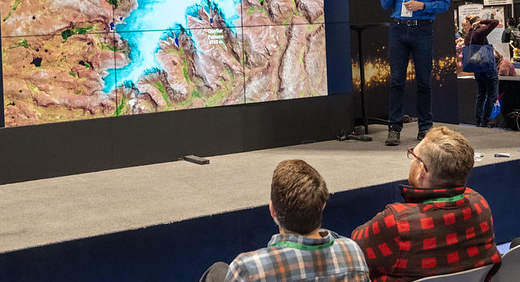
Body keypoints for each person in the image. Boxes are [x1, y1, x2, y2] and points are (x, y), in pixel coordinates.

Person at [351, 127, 501, 282]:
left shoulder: (397, 222)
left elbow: (353, 250)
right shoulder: (480, 204)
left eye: (414, 155)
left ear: (421, 170)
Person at [200, 159, 369, 282]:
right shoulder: (352, 252)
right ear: (323, 205)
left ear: (272, 209)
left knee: (216, 272)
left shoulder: (248, 268)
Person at [380, 0, 451, 146]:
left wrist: (422, 6)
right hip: (398, 29)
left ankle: (425, 127)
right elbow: (385, 4)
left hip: (422, 29)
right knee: (396, 81)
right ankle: (394, 128)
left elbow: (444, 4)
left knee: (423, 80)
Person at [464, 15, 499, 127]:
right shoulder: (479, 32)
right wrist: (482, 22)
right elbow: (494, 22)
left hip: (477, 68)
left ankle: (478, 121)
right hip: (487, 66)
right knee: (492, 95)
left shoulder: (469, 35)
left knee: (481, 95)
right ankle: (485, 121)